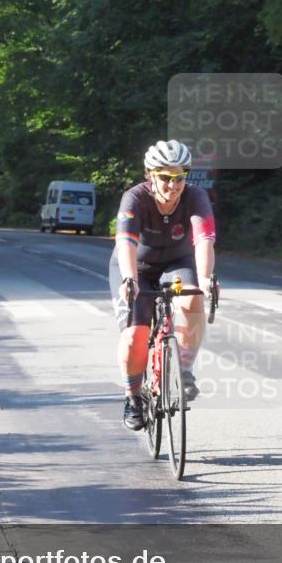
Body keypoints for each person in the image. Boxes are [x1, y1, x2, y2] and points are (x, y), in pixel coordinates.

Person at [110, 139, 216, 430]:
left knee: (192, 298)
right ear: (150, 175)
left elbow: (204, 240)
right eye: (165, 178)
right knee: (135, 334)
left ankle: (184, 369)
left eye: (179, 177)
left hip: (176, 267)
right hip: (138, 268)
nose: (173, 184)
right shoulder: (134, 198)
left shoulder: (195, 197)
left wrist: (205, 279)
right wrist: (129, 280)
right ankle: (133, 397)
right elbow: (125, 243)